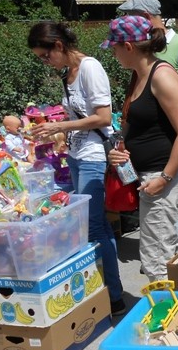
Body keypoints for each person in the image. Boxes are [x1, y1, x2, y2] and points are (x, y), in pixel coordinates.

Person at [27, 21, 125, 316]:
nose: (45, 63)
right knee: (94, 225)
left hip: (95, 154)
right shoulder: (66, 74)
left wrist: (60, 125)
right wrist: (61, 136)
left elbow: (104, 117)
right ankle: (106, 290)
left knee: (93, 225)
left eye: (45, 56)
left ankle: (115, 296)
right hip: (77, 153)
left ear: (58, 45)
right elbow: (78, 116)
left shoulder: (90, 68)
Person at [102, 15, 178, 282]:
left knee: (156, 254)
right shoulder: (138, 75)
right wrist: (119, 149)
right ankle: (170, 306)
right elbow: (136, 123)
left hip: (161, 175)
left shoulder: (162, 77)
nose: (114, 54)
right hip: (149, 174)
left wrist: (164, 178)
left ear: (129, 47)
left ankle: (165, 314)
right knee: (159, 248)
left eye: (115, 48)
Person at [117, 0, 178, 219]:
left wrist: (166, 100)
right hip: (155, 134)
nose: (127, 23)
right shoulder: (142, 48)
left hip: (176, 131)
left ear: (146, 17)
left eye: (130, 18)